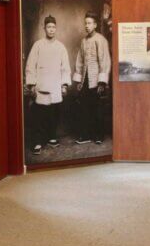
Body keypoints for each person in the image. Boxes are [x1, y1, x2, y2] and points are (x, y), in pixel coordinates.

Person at [24, 15, 71, 154]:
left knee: (54, 113)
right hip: (42, 86)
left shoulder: (60, 47)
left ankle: (51, 136)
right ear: (44, 28)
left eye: (53, 27)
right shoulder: (38, 45)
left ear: (56, 29)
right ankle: (37, 141)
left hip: (55, 86)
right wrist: (31, 84)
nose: (51, 30)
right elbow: (30, 65)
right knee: (39, 115)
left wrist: (64, 85)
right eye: (48, 27)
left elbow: (65, 68)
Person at [73, 11, 111, 145]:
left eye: (89, 23)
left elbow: (104, 61)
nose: (87, 26)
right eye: (85, 23)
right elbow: (80, 61)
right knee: (84, 108)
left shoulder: (101, 40)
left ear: (95, 25)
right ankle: (85, 134)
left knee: (97, 109)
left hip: (96, 80)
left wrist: (102, 82)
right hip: (85, 80)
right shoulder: (83, 41)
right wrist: (78, 80)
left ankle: (98, 135)